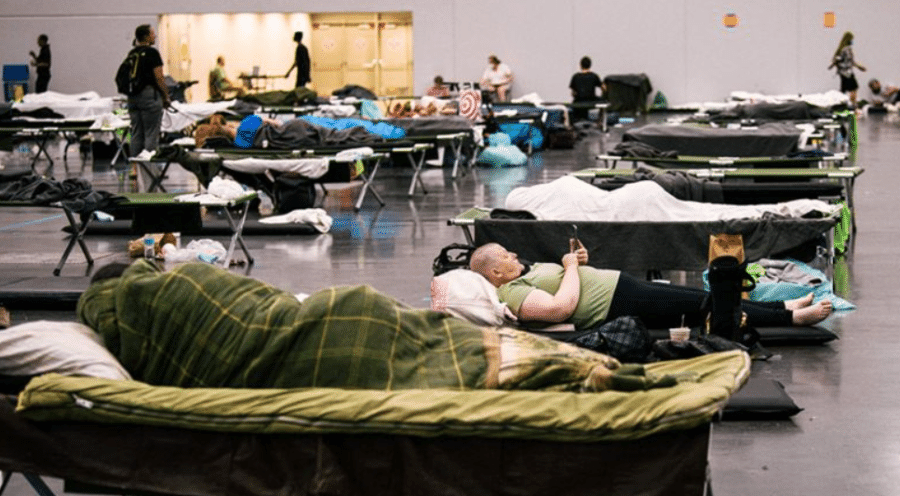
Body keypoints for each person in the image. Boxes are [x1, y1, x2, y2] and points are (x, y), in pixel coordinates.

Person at [76, 260, 692, 393]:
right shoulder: (141, 298)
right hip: (327, 328)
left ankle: (602, 366)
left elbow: (252, 302)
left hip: (334, 316)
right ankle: (602, 371)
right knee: (460, 351)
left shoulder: (166, 294)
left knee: (446, 341)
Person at [469, 243, 833, 331]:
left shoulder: (525, 274)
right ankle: (790, 320)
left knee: (702, 299)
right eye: (505, 255)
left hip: (620, 288)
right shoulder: (511, 293)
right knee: (704, 308)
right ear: (495, 274)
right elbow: (559, 309)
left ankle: (782, 309)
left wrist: (576, 261)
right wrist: (570, 269)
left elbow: (568, 281)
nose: (514, 253)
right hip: (615, 304)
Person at [126, 24, 171, 157]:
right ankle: (150, 170)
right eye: (152, 33)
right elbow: (159, 78)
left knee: (136, 132)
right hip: (149, 96)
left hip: (132, 97)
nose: (155, 36)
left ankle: (135, 168)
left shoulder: (132, 53)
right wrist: (166, 96)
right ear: (146, 36)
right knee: (151, 132)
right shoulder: (152, 53)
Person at [828, 31, 866, 109]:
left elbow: (838, 59)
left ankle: (842, 104)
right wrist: (859, 67)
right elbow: (850, 61)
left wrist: (833, 65)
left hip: (842, 73)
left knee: (844, 89)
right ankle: (853, 104)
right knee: (854, 88)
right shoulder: (847, 49)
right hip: (847, 72)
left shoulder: (842, 49)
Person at [568, 56, 605, 121]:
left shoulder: (575, 76)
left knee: (573, 105)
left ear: (580, 65)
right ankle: (600, 121)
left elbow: (573, 93)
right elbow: (603, 88)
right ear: (590, 65)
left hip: (579, 101)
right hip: (591, 100)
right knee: (604, 102)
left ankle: (574, 123)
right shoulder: (594, 76)